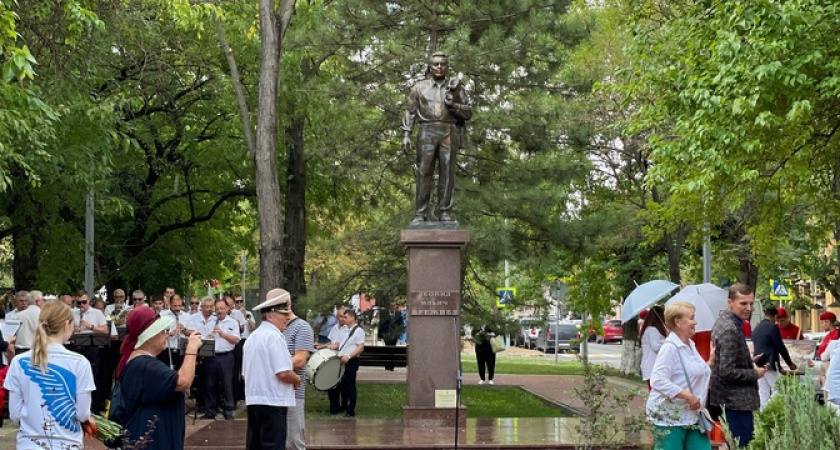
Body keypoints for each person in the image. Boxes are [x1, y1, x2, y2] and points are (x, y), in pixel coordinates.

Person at [4, 301, 95, 449]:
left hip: (29, 443)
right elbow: (83, 414)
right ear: (67, 324)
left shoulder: (18, 362)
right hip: (67, 442)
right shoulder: (80, 363)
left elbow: (14, 414)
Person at [116, 305, 202, 450]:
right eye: (162, 331)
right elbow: (183, 382)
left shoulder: (139, 361)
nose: (166, 335)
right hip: (150, 438)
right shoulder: (145, 365)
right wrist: (192, 349)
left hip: (148, 435)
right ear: (149, 337)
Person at [401, 51, 473, 224]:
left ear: (447, 66)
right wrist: (406, 134)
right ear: (430, 66)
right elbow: (410, 111)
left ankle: (444, 213)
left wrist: (454, 105)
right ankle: (420, 213)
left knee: (447, 173)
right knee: (424, 172)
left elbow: (469, 112)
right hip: (426, 130)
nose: (439, 67)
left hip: (448, 130)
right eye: (436, 64)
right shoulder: (420, 87)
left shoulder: (457, 88)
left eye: (443, 64)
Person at [646, 301, 712, 450]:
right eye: (691, 318)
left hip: (692, 416)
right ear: (677, 321)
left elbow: (691, 372)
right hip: (669, 417)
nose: (695, 322)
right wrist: (688, 396)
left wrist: (709, 364)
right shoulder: (670, 347)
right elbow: (657, 380)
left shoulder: (690, 345)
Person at [709, 283, 766, 448]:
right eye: (743, 303)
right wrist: (756, 373)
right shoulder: (729, 328)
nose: (749, 308)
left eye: (751, 303)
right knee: (742, 445)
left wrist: (749, 361)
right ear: (730, 303)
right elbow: (727, 370)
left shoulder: (727, 323)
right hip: (735, 402)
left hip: (731, 400)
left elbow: (728, 360)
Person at [244, 288, 301, 450]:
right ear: (270, 315)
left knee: (255, 445)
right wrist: (296, 379)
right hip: (273, 403)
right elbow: (283, 372)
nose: (288, 318)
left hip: (254, 400)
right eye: (284, 314)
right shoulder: (275, 338)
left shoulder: (252, 338)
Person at [280, 293, 314, 450]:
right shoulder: (273, 328)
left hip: (293, 393)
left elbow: (300, 360)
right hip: (272, 393)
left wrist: (273, 366)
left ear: (288, 303)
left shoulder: (302, 327)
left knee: (294, 442)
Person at [752, 306, 796, 408]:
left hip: (758, 364)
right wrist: (790, 363)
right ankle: (767, 410)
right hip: (770, 363)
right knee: (778, 389)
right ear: (775, 316)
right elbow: (780, 347)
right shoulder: (772, 328)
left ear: (764, 314)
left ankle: (763, 415)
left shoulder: (757, 328)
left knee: (763, 392)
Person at [327, 309, 365, 417]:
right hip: (342, 359)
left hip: (351, 360)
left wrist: (349, 356)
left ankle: (351, 409)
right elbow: (339, 344)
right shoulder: (345, 330)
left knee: (350, 384)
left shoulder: (358, 331)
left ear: (352, 318)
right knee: (342, 384)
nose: (344, 319)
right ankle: (343, 406)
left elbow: (360, 347)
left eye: (346, 317)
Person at [641, 305, 668, 390]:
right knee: (655, 393)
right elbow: (656, 346)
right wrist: (668, 341)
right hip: (652, 366)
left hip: (653, 366)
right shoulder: (652, 330)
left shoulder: (652, 329)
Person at [14, 290, 44, 356]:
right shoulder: (43, 315)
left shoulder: (17, 316)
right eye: (43, 300)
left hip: (20, 352)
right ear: (38, 301)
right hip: (37, 352)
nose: (43, 302)